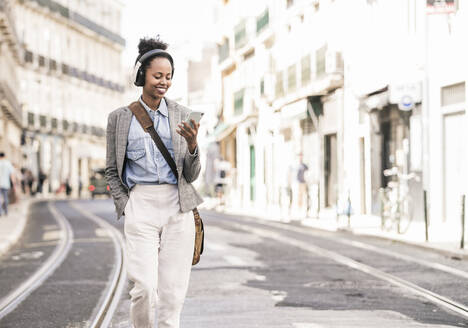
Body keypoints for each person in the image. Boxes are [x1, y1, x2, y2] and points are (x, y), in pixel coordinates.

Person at [105, 36, 203, 328]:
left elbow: (192, 174)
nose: (164, 82)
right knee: (145, 288)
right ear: (141, 76)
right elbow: (112, 169)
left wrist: (193, 145)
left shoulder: (183, 115)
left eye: (169, 77)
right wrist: (126, 205)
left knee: (172, 294)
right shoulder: (119, 119)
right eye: (157, 75)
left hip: (177, 205)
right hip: (141, 205)